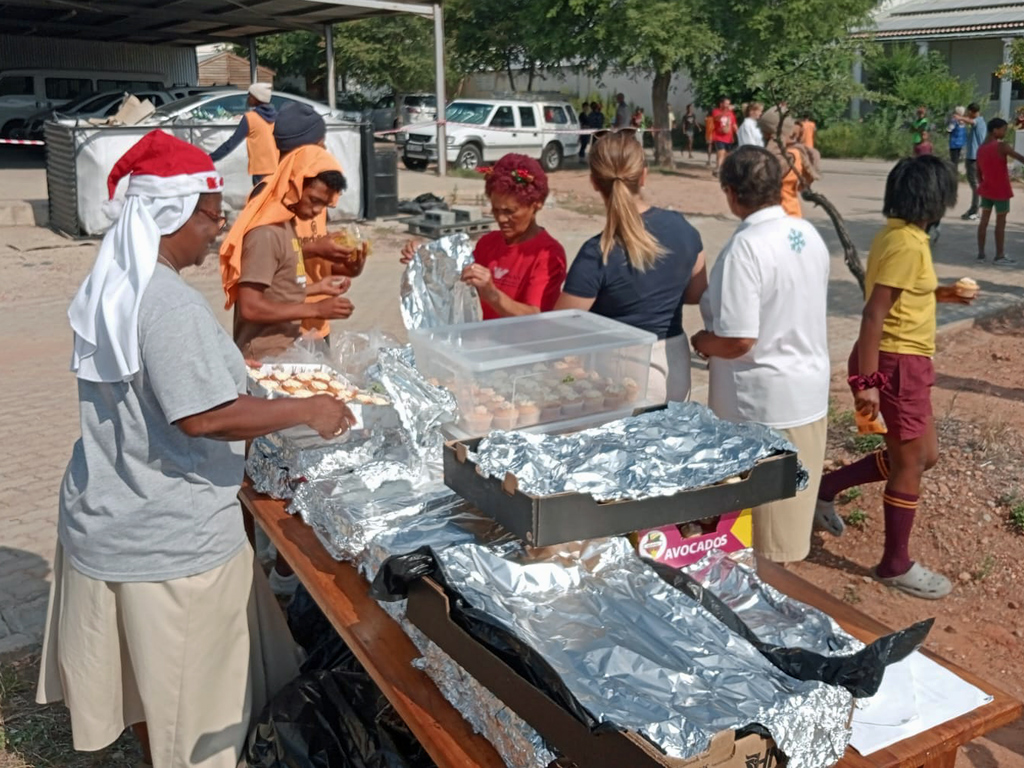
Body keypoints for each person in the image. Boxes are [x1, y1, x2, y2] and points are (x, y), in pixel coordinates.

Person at [37, 130, 354, 768]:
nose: (218, 233)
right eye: (212, 217)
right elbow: (203, 419)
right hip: (169, 542)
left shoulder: (111, 282)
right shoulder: (169, 303)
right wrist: (308, 409)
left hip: (107, 520)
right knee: (196, 715)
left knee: (151, 697)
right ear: (172, 213)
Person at [814, 155, 969, 599]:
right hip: (895, 365)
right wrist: (867, 386)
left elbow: (902, 295)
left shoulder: (898, 236)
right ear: (935, 200)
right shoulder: (907, 244)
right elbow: (873, 313)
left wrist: (944, 293)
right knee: (911, 463)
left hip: (905, 363)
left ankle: (826, 488)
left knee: (925, 456)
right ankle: (895, 564)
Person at [691, 146, 830, 564]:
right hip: (807, 392)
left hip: (763, 409)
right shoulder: (807, 234)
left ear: (731, 192)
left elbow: (737, 340)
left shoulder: (746, 248)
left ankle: (766, 617)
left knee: (763, 541)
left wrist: (701, 343)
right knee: (788, 515)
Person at [554, 132, 706, 403]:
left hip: (618, 374)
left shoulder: (597, 252)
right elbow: (696, 293)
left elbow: (562, 325)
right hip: (674, 366)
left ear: (593, 182)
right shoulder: (683, 228)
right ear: (644, 176)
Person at [220, 145, 355, 367]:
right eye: (313, 200)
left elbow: (276, 291)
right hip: (263, 357)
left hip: (286, 350)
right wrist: (316, 309)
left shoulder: (287, 225)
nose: (316, 211)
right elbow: (250, 307)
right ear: (294, 182)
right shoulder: (265, 233)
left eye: (324, 205)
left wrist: (319, 287)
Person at [400, 153, 567, 319]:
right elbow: (454, 278)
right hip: (486, 340)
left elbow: (537, 317)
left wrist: (493, 295)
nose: (501, 219)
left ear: (536, 205)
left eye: (510, 211)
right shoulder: (488, 244)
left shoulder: (547, 254)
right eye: (496, 210)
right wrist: (425, 259)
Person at [209, 83, 279, 186]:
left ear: (256, 98)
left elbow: (231, 144)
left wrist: (210, 158)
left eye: (250, 95)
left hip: (260, 170)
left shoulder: (250, 118)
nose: (248, 98)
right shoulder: (276, 117)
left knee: (259, 200)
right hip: (276, 167)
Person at [976, 117, 1023, 266]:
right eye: (1003, 129)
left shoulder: (981, 148)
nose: (1004, 132)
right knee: (1000, 223)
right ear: (995, 130)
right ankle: (999, 255)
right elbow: (1019, 158)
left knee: (984, 221)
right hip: (1001, 190)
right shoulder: (1002, 146)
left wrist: (983, 184)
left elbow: (978, 172)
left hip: (987, 189)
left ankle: (981, 254)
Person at [758, 107, 818, 218]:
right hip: (791, 210)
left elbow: (767, 169)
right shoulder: (797, 153)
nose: (762, 135)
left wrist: (775, 141)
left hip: (782, 213)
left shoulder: (789, 156)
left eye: (765, 132)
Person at [960, 103, 986, 220]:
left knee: (975, 184)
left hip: (974, 158)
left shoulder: (979, 122)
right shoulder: (981, 122)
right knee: (975, 183)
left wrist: (960, 117)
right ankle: (975, 208)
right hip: (975, 156)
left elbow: (972, 122)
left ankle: (975, 210)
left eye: (968, 112)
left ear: (972, 112)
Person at [711, 97, 738, 174]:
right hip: (719, 136)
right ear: (721, 104)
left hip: (728, 137)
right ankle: (718, 169)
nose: (728, 105)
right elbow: (716, 118)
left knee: (726, 155)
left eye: (729, 104)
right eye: (726, 103)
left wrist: (738, 133)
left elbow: (734, 124)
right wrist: (726, 111)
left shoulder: (731, 114)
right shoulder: (716, 111)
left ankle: (720, 168)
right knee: (721, 152)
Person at [947, 106, 967, 174]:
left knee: (953, 160)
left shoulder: (954, 121)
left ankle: (953, 174)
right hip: (961, 143)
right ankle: (955, 173)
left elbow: (949, 129)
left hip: (954, 143)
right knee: (957, 160)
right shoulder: (964, 121)